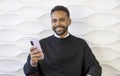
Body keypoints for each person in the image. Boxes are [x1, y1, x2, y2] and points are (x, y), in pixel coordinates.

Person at [23, 5, 102, 76]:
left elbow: (94, 66)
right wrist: (32, 63)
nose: (58, 24)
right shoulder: (42, 44)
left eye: (62, 20)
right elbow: (27, 71)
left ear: (69, 21)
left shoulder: (81, 44)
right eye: (54, 20)